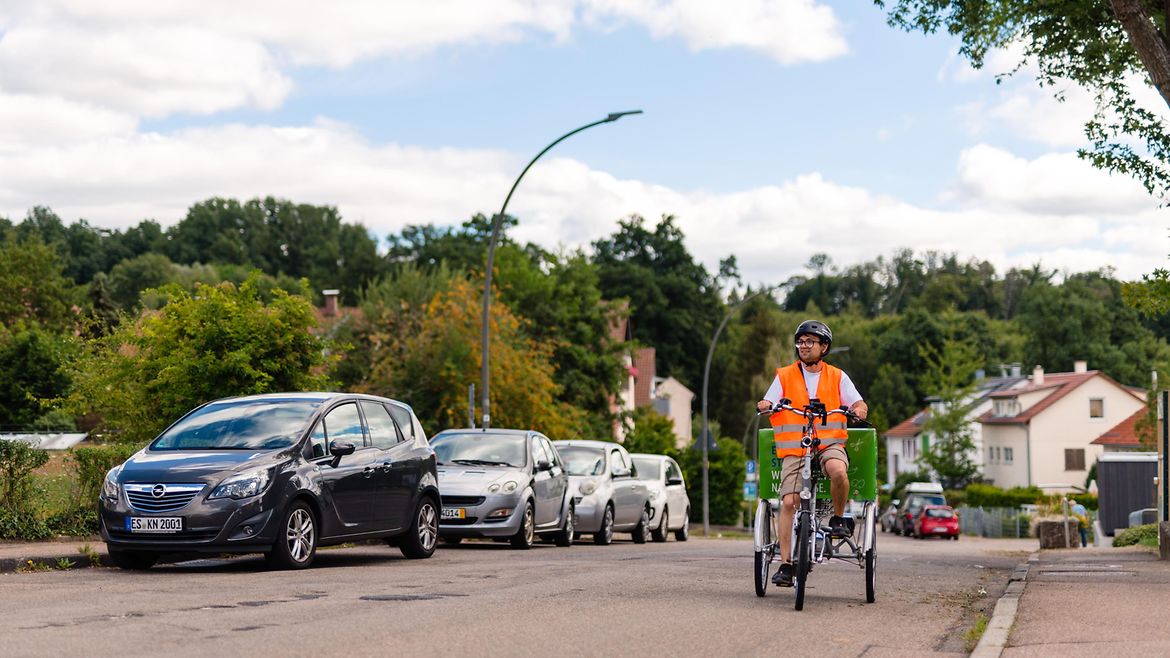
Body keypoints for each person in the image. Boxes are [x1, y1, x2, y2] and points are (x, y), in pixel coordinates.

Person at [756, 319, 868, 587]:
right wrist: (765, 404)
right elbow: (768, 401)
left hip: (829, 443)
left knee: (838, 471)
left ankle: (839, 518)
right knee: (788, 502)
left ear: (824, 347)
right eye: (800, 341)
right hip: (796, 446)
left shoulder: (837, 376)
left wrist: (859, 410)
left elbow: (858, 402)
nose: (803, 346)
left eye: (810, 342)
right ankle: (785, 564)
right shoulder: (784, 375)